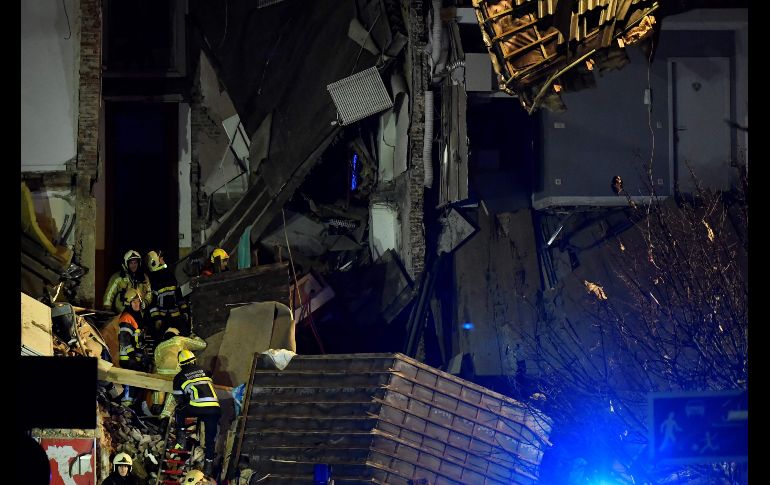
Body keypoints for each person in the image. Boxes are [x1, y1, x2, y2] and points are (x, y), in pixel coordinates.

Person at [173, 349, 221, 476]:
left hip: (197, 407)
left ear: (180, 364)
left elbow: (179, 400)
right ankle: (208, 466)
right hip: (215, 408)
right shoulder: (206, 371)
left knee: (179, 411)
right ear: (194, 360)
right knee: (210, 440)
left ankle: (181, 439)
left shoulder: (179, 377)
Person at [145, 250, 190, 342]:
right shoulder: (153, 280)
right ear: (154, 263)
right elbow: (152, 304)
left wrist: (184, 311)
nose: (163, 260)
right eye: (161, 259)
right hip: (163, 319)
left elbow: (179, 296)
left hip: (176, 317)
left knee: (184, 339)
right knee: (161, 342)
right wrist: (157, 319)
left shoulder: (169, 275)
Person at [118, 288, 150, 407]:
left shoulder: (137, 316)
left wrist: (143, 356)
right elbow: (124, 339)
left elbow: (139, 340)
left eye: (138, 301)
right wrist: (131, 357)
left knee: (136, 383)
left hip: (136, 357)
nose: (137, 304)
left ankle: (134, 406)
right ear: (129, 303)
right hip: (128, 357)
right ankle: (126, 407)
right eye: (134, 302)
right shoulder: (127, 317)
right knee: (129, 382)